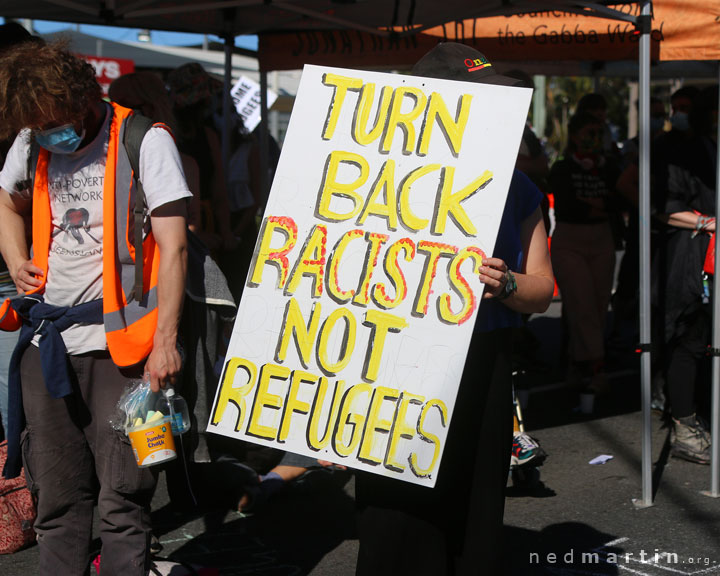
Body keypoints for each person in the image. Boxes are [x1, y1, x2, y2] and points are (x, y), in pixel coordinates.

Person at [355, 42, 555, 575]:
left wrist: (507, 283)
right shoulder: (376, 174)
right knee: (394, 514)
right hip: (393, 365)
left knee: (471, 506)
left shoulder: (518, 187)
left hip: (482, 368)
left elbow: (543, 290)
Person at [0, 41, 191, 574]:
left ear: (86, 98)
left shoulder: (143, 139)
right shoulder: (30, 140)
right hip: (47, 347)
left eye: (61, 122)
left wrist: (166, 342)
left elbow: (174, 247)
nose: (54, 134)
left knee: (124, 502)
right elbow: (6, 201)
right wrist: (16, 259)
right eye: (42, 127)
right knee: (57, 506)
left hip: (124, 351)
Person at [661, 86, 718, 464]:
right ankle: (684, 424)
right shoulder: (683, 152)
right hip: (695, 257)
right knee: (691, 338)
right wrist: (708, 222)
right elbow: (664, 208)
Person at [549, 111, 621, 397]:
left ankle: (577, 363)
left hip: (601, 237)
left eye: (599, 132)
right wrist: (599, 204)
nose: (595, 139)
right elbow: (568, 205)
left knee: (598, 305)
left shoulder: (610, 167)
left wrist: (594, 204)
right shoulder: (563, 168)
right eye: (589, 132)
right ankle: (596, 368)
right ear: (576, 135)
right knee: (581, 304)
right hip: (570, 239)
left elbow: (619, 201)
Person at [0, 22, 41, 442]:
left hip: (24, 274)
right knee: (16, 394)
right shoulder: (25, 127)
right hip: (21, 272)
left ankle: (20, 490)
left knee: (17, 392)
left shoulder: (31, 126)